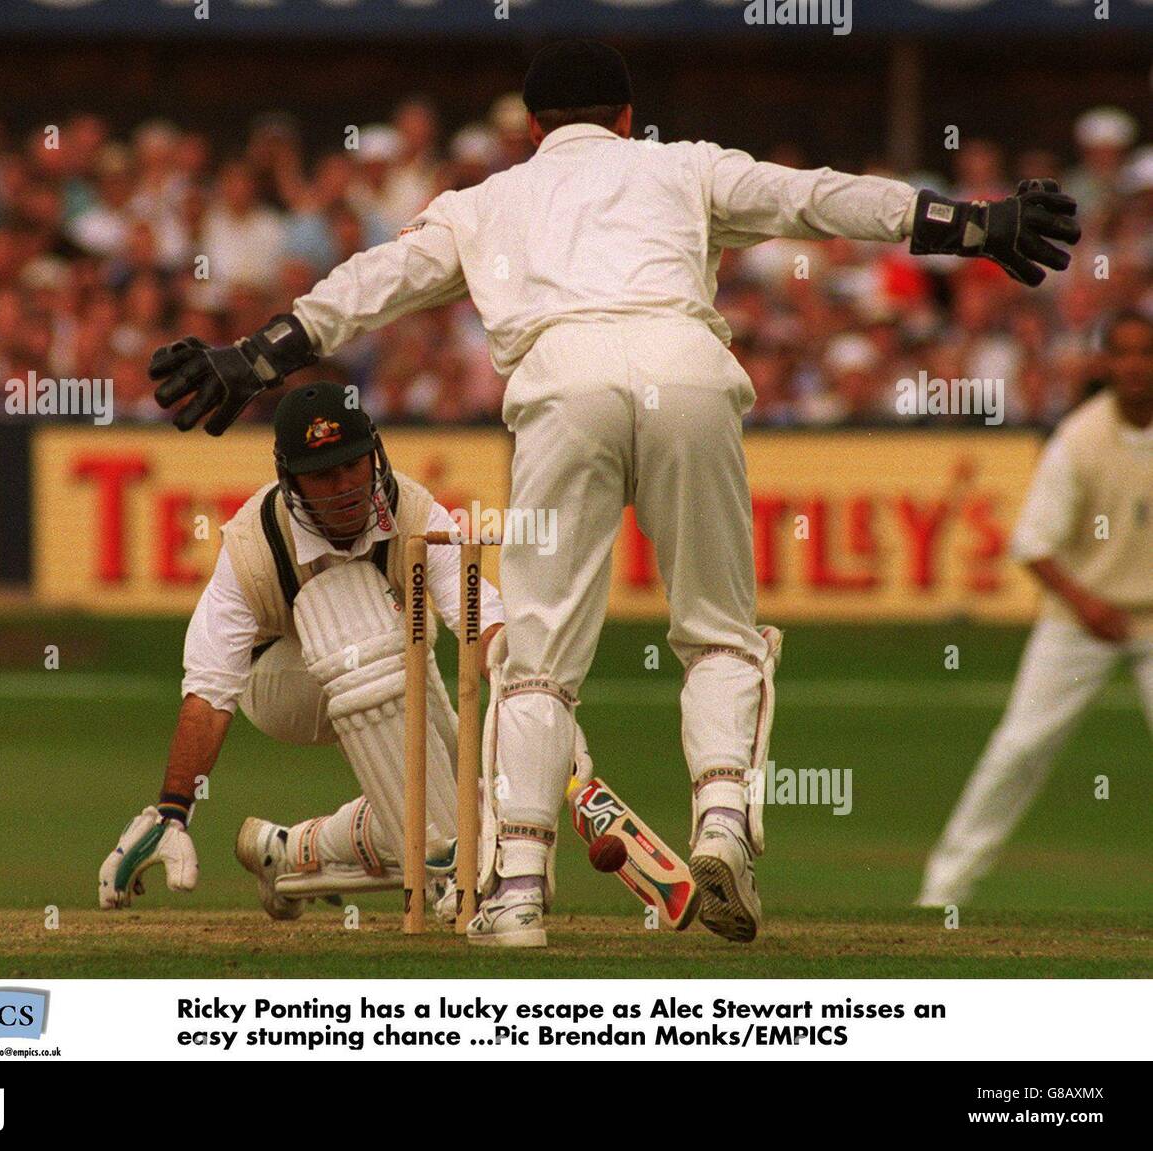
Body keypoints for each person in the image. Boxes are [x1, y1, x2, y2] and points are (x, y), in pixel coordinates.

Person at [148, 40, 1080, 946]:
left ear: (530, 126)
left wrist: (254, 355)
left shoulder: (486, 202)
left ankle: (515, 892)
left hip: (563, 385)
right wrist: (975, 226)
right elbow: (817, 199)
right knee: (718, 629)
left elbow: (375, 282)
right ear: (628, 118)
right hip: (686, 368)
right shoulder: (682, 168)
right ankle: (721, 823)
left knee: (540, 660)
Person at [98, 383, 508, 922]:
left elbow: (478, 620)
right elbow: (210, 689)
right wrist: (174, 809)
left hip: (395, 663)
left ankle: (291, 851)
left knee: (469, 801)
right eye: (322, 475)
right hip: (280, 685)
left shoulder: (415, 511)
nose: (342, 488)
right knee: (359, 610)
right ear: (291, 481)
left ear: (375, 457)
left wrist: (528, 686)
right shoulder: (254, 542)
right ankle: (441, 872)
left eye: (351, 467)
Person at [918, 311, 1153, 906]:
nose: (1134, 366)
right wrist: (1088, 604)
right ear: (1105, 364)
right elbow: (1033, 544)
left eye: (1145, 353)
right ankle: (943, 891)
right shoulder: (1080, 438)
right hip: (1079, 620)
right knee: (1020, 748)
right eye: (1122, 354)